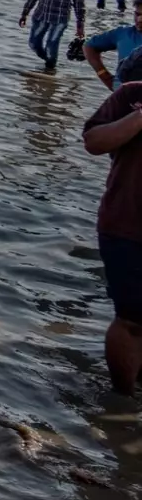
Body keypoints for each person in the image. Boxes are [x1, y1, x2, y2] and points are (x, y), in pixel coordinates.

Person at [85, 52, 142, 393]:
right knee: (133, 321)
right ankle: (122, 399)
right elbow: (94, 142)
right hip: (128, 227)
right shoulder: (131, 94)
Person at [86, 0, 142, 88]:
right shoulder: (123, 33)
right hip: (122, 94)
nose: (139, 19)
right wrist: (105, 77)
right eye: (137, 14)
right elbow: (89, 46)